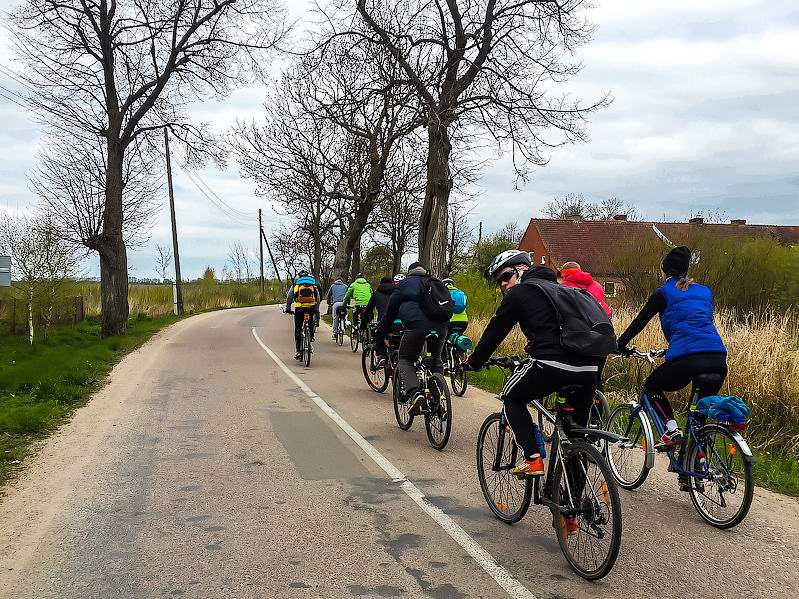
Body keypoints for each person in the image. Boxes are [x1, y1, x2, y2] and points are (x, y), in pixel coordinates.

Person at [464, 250, 600, 478]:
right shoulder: (565, 289)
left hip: (551, 364)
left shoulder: (521, 292)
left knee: (511, 397)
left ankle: (533, 458)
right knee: (575, 437)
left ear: (523, 269)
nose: (504, 284)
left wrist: (474, 362)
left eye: (506, 276)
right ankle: (573, 508)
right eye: (499, 281)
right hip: (589, 369)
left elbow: (494, 333)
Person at [616, 246, 727, 451]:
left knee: (651, 387)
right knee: (697, 418)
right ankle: (694, 466)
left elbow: (639, 322)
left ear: (664, 271)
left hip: (689, 359)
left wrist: (619, 345)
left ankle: (671, 430)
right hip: (718, 358)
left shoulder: (663, 293)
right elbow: (699, 324)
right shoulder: (705, 292)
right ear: (685, 270)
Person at [378, 262, 447, 415]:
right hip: (441, 327)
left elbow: (391, 312)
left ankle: (416, 393)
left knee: (404, 359)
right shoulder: (435, 282)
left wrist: (382, 329)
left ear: (410, 273)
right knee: (436, 359)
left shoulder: (404, 284)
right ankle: (437, 399)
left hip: (416, 327)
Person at [285, 270, 321, 360]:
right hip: (311, 308)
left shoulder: (296, 285)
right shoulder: (312, 284)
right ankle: (311, 336)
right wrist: (316, 308)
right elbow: (318, 297)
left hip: (299, 309)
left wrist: (288, 308)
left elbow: (289, 297)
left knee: (298, 327)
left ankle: (298, 350)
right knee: (310, 322)